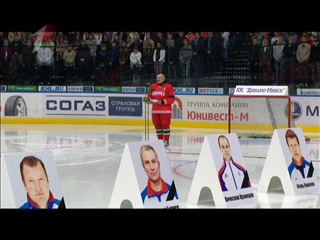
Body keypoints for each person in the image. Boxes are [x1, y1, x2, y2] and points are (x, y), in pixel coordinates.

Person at [143, 73, 175, 147]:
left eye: (160, 77)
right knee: (157, 125)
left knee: (165, 125)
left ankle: (166, 141)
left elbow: (172, 99)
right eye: (157, 77)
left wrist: (163, 101)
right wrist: (147, 99)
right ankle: (160, 141)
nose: (158, 79)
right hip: (155, 110)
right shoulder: (153, 87)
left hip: (165, 110)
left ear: (163, 79)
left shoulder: (169, 87)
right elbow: (150, 96)